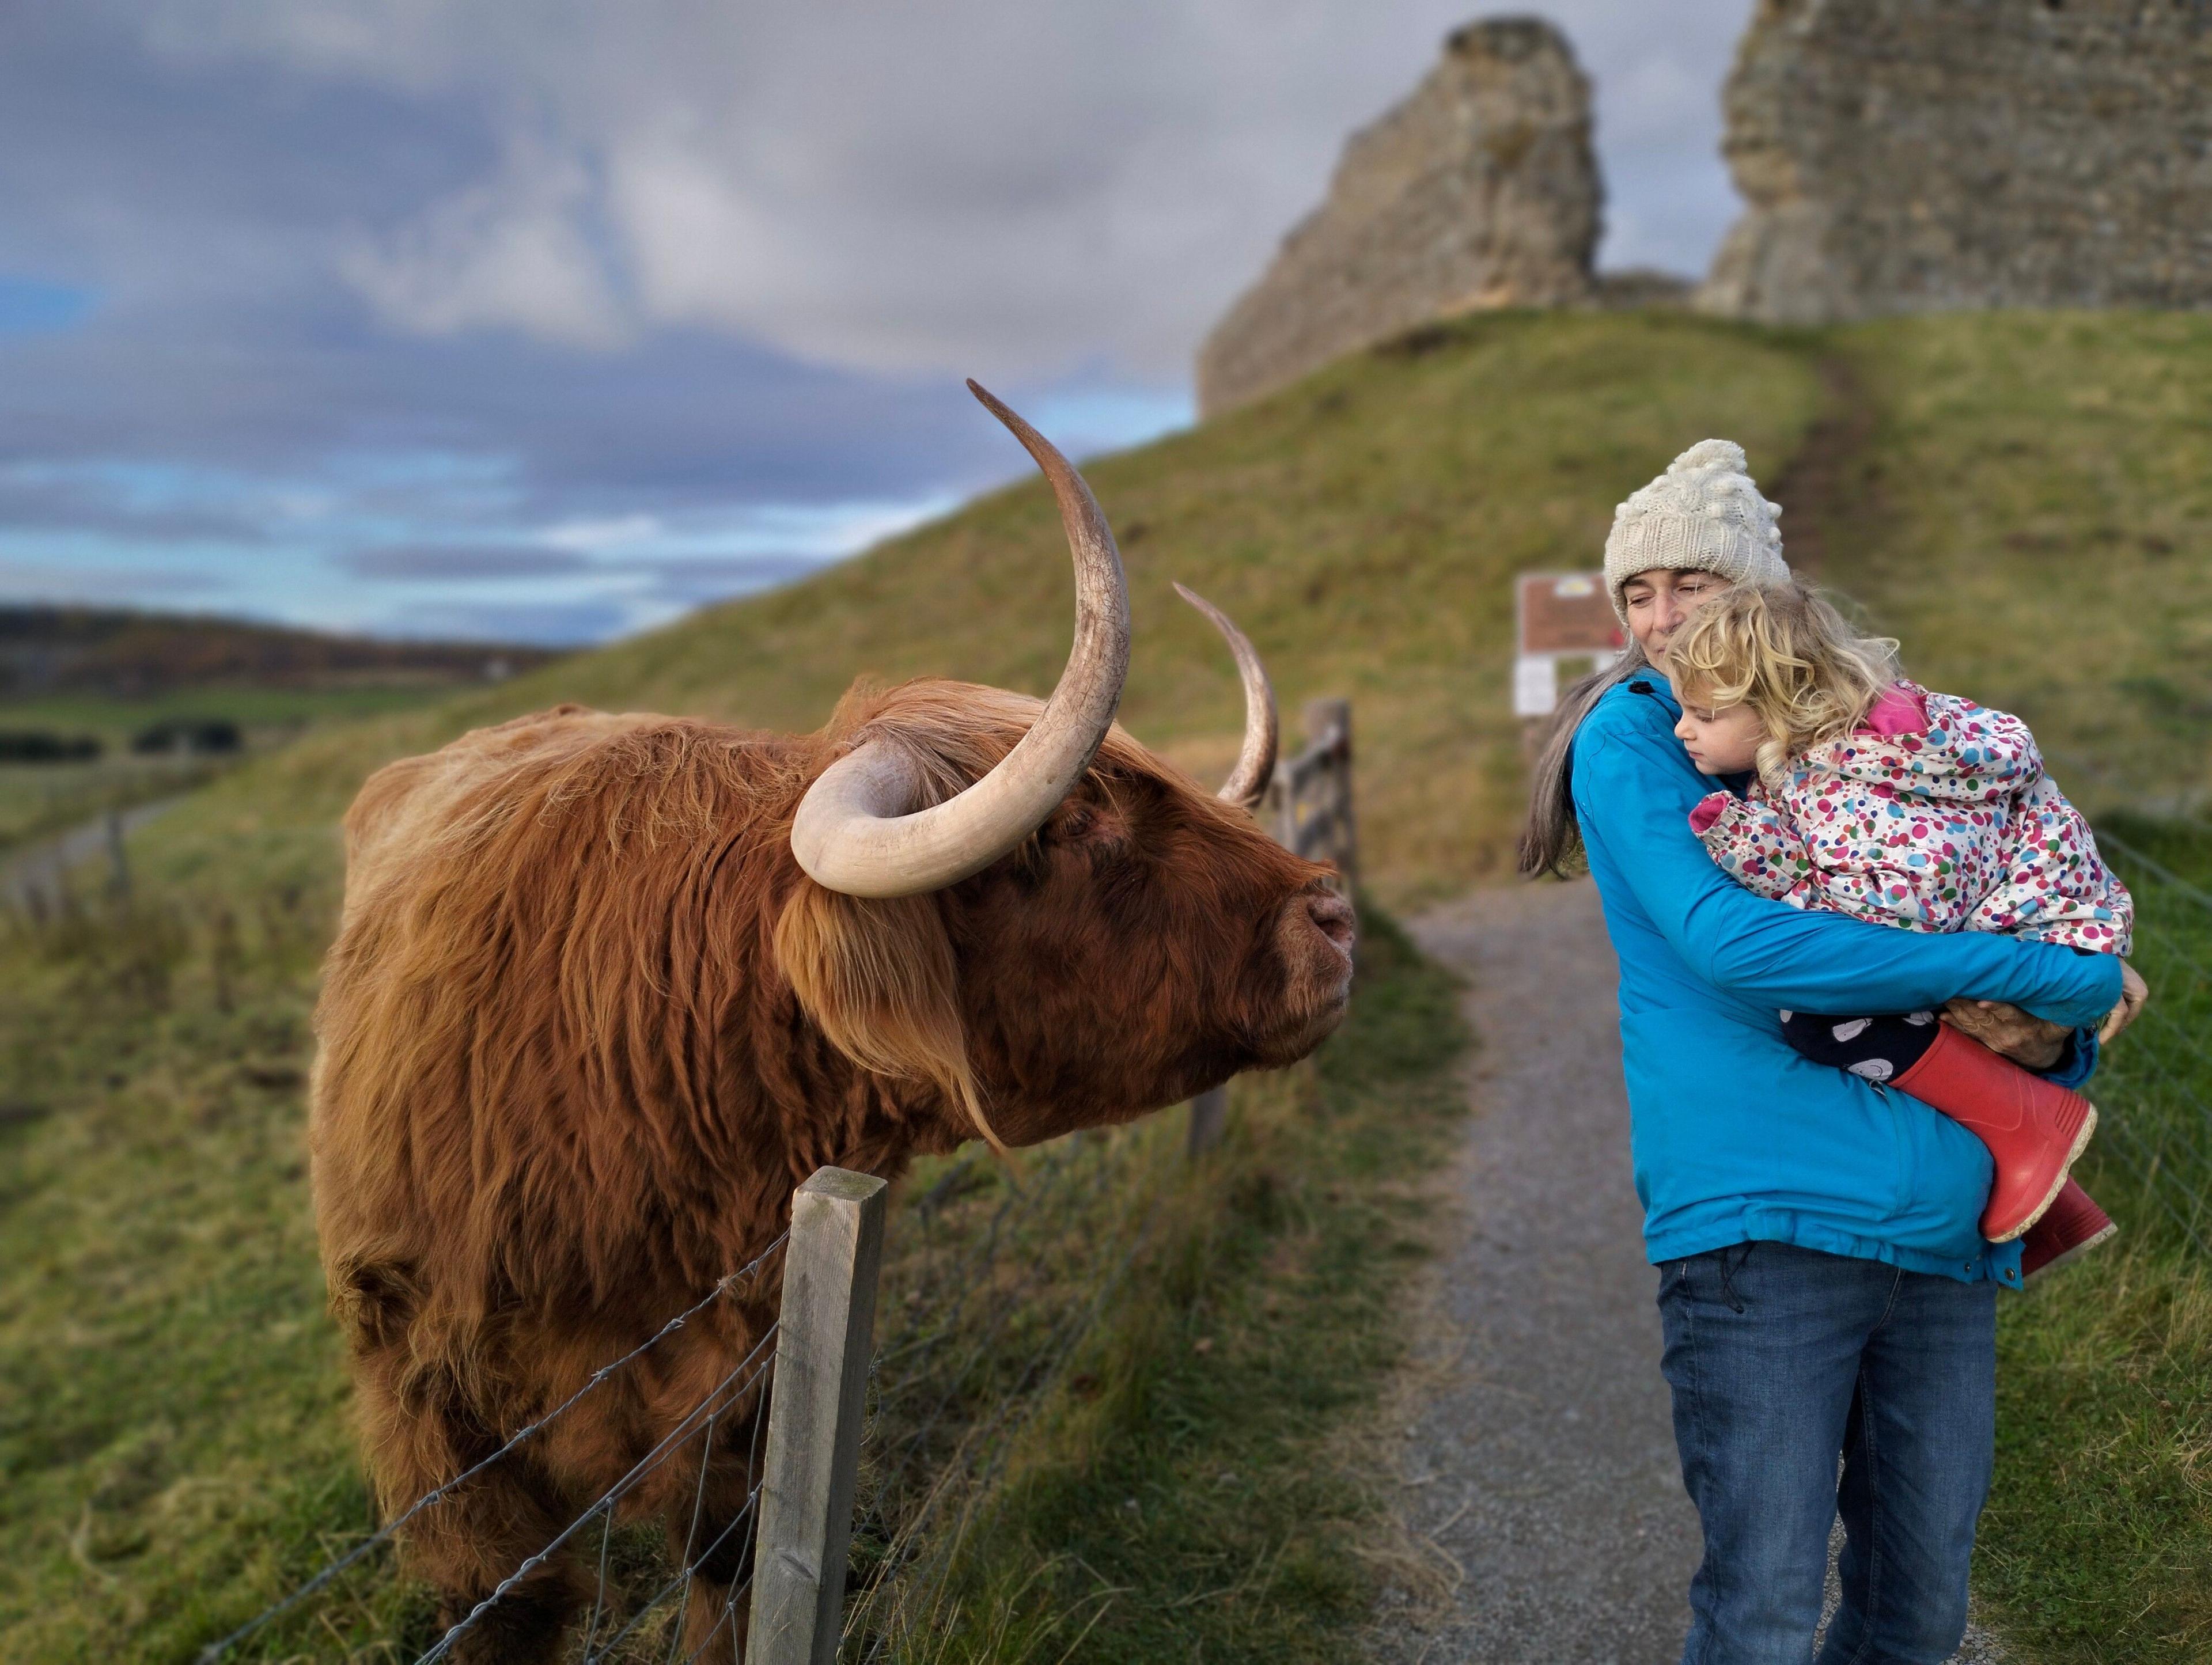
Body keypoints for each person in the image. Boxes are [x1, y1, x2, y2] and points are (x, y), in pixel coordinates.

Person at [1518, 438, 2142, 1664]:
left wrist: (2058, 997)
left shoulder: (1864, 738)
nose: (1657, 619)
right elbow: (1735, 944)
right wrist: (2042, 971)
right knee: (1759, 1616)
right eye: (1635, 593)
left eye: (1688, 584)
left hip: (1945, 1231)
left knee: (1918, 1615)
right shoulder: (1643, 737)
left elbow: (1993, 884)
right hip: (1765, 1218)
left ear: (1760, 595)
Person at [1669, 581, 2138, 1257]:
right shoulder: (1858, 746)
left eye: (1704, 712)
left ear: (1780, 703)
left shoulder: (1844, 778)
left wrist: (1784, 893)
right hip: (2042, 914)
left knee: (1823, 1011)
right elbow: (1852, 871)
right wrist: (1754, 845)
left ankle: (2032, 1131)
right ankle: (2046, 1193)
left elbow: (1897, 918)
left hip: (2029, 924)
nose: (1683, 728)